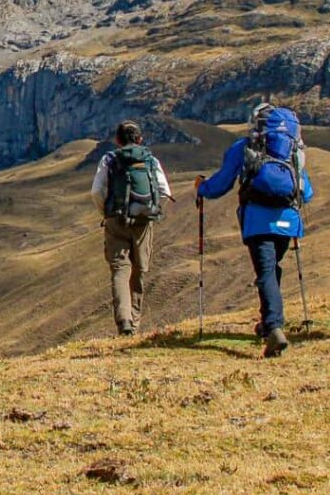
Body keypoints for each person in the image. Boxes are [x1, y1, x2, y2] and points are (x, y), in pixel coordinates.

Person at [195, 103, 314, 358]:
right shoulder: (293, 151)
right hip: (288, 219)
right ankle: (268, 322)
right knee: (271, 268)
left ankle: (274, 328)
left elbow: (222, 183)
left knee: (266, 271)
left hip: (257, 220)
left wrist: (202, 188)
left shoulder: (245, 147)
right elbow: (307, 191)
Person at [91, 120, 172, 336]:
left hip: (115, 220)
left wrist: (106, 213)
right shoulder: (150, 160)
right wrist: (149, 209)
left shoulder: (109, 159)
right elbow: (164, 190)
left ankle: (124, 321)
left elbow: (96, 191)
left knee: (120, 270)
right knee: (139, 270)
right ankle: (134, 323)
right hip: (143, 222)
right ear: (140, 139)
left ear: (117, 140)